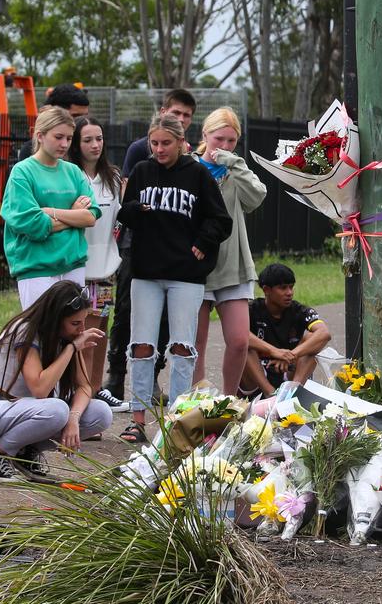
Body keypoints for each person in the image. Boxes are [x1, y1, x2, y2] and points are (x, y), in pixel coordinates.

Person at [117, 114, 232, 443]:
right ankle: (137, 418)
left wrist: (202, 243)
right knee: (141, 345)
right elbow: (127, 212)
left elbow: (220, 220)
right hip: (147, 271)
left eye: (166, 143)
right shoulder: (142, 171)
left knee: (182, 346)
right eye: (154, 143)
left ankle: (177, 419)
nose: (159, 149)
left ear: (182, 142)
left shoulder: (196, 173)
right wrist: (135, 209)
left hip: (184, 274)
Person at [0, 281, 112, 482]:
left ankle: (25, 453)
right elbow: (40, 388)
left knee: (101, 413)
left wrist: (74, 419)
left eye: (84, 322)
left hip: (23, 412)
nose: (82, 330)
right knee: (57, 409)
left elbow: (85, 386)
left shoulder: (66, 336)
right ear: (55, 319)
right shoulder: (25, 330)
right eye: (75, 324)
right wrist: (71, 349)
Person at [105, 89, 198, 402]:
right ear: (163, 111)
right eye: (176, 113)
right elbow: (128, 196)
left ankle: (154, 378)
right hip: (138, 243)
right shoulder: (139, 150)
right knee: (126, 310)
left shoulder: (191, 160)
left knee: (164, 320)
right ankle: (116, 377)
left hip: (174, 251)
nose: (180, 119)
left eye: (186, 116)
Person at [191, 107, 267, 395]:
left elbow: (256, 197)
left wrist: (236, 164)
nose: (223, 147)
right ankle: (195, 403)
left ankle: (229, 401)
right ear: (205, 135)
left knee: (238, 341)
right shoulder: (191, 168)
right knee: (195, 343)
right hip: (196, 264)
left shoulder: (236, 170)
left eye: (231, 141)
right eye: (218, 139)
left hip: (233, 264)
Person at [1, 107, 102, 309]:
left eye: (69, 138)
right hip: (36, 267)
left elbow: (91, 217)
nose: (64, 144)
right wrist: (74, 215)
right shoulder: (22, 172)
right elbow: (34, 225)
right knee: (40, 334)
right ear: (40, 135)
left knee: (72, 334)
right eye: (58, 137)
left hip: (73, 265)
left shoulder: (73, 171)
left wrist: (52, 212)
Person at [66, 116, 128, 415]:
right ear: (76, 144)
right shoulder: (70, 176)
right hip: (78, 269)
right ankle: (82, 398)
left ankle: (94, 391)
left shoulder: (112, 178)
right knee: (83, 336)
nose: (95, 145)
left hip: (105, 270)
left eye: (99, 139)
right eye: (88, 139)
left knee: (100, 332)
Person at [239, 263, 332, 398]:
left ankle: (292, 394)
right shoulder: (251, 309)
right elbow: (239, 335)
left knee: (313, 341)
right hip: (256, 379)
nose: (289, 293)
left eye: (291, 287)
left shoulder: (299, 311)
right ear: (266, 290)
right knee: (243, 345)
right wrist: (275, 351)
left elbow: (324, 334)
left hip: (290, 372)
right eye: (283, 288)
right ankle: (271, 395)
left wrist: (290, 355)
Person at [16, 84, 90, 162]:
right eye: (75, 116)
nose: (83, 122)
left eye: (85, 116)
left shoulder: (90, 145)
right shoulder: (30, 152)